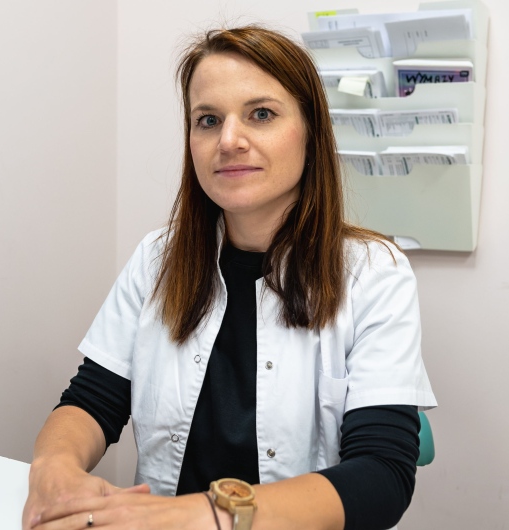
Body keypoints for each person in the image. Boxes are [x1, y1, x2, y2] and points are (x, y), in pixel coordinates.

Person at [23, 25, 437, 530]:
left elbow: (381, 476)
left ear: (311, 133)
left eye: (261, 114)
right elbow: (92, 401)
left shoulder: (373, 273)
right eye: (208, 120)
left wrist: (200, 515)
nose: (228, 140)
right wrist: (54, 467)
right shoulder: (156, 259)